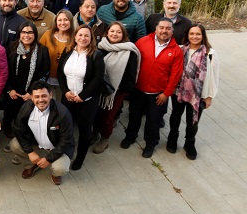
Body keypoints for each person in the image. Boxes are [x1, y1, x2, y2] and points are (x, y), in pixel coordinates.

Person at [121, 18, 184, 158]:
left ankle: (150, 144)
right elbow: (132, 62)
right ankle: (130, 137)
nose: (164, 31)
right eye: (161, 27)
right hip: (138, 90)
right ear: (156, 29)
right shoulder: (142, 42)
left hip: (158, 94)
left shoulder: (176, 51)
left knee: (153, 121)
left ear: (172, 31)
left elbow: (176, 75)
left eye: (168, 28)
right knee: (134, 116)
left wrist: (166, 94)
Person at [167, 24, 219, 160]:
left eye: (198, 34)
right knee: (175, 116)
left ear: (203, 36)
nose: (194, 37)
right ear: (187, 35)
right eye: (192, 34)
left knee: (193, 120)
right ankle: (172, 138)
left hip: (198, 94)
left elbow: (214, 76)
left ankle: (189, 143)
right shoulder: (180, 50)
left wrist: (209, 96)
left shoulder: (210, 54)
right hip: (178, 90)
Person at [57, 24, 105, 170]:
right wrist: (65, 91)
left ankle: (80, 157)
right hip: (68, 98)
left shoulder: (96, 55)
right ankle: (64, 153)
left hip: (86, 101)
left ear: (91, 39)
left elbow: (98, 79)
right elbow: (60, 74)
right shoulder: (67, 51)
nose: (83, 38)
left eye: (86, 36)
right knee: (65, 128)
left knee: (85, 130)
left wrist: (83, 96)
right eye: (80, 35)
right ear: (75, 36)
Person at [9, 81, 74, 185]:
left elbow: (66, 140)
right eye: (37, 96)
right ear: (32, 97)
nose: (40, 100)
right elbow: (18, 129)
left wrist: (48, 159)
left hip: (57, 147)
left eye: (44, 96)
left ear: (50, 95)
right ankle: (31, 165)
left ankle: (55, 173)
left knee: (60, 169)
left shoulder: (63, 113)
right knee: (14, 144)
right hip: (36, 142)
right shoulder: (26, 107)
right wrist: (30, 152)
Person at [92, 22, 140, 154]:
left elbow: (131, 76)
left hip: (116, 92)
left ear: (123, 35)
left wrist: (118, 91)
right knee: (96, 113)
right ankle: (95, 133)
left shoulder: (129, 51)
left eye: (118, 32)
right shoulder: (99, 47)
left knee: (107, 118)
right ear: (107, 32)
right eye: (112, 31)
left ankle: (104, 138)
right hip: (97, 89)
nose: (115, 34)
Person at [3, 22, 51, 140]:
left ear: (34, 34)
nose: (26, 35)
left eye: (30, 32)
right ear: (19, 34)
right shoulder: (12, 47)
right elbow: (5, 70)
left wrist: (32, 93)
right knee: (10, 112)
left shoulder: (42, 51)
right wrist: (9, 89)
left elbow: (45, 74)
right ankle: (8, 126)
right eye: (24, 32)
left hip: (30, 92)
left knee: (26, 116)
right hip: (13, 90)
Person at [39, 10, 75, 101]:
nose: (62, 23)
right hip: (47, 78)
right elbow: (39, 54)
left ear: (70, 21)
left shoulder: (75, 38)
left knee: (60, 105)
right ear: (56, 22)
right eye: (60, 20)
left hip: (64, 81)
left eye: (66, 20)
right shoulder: (48, 35)